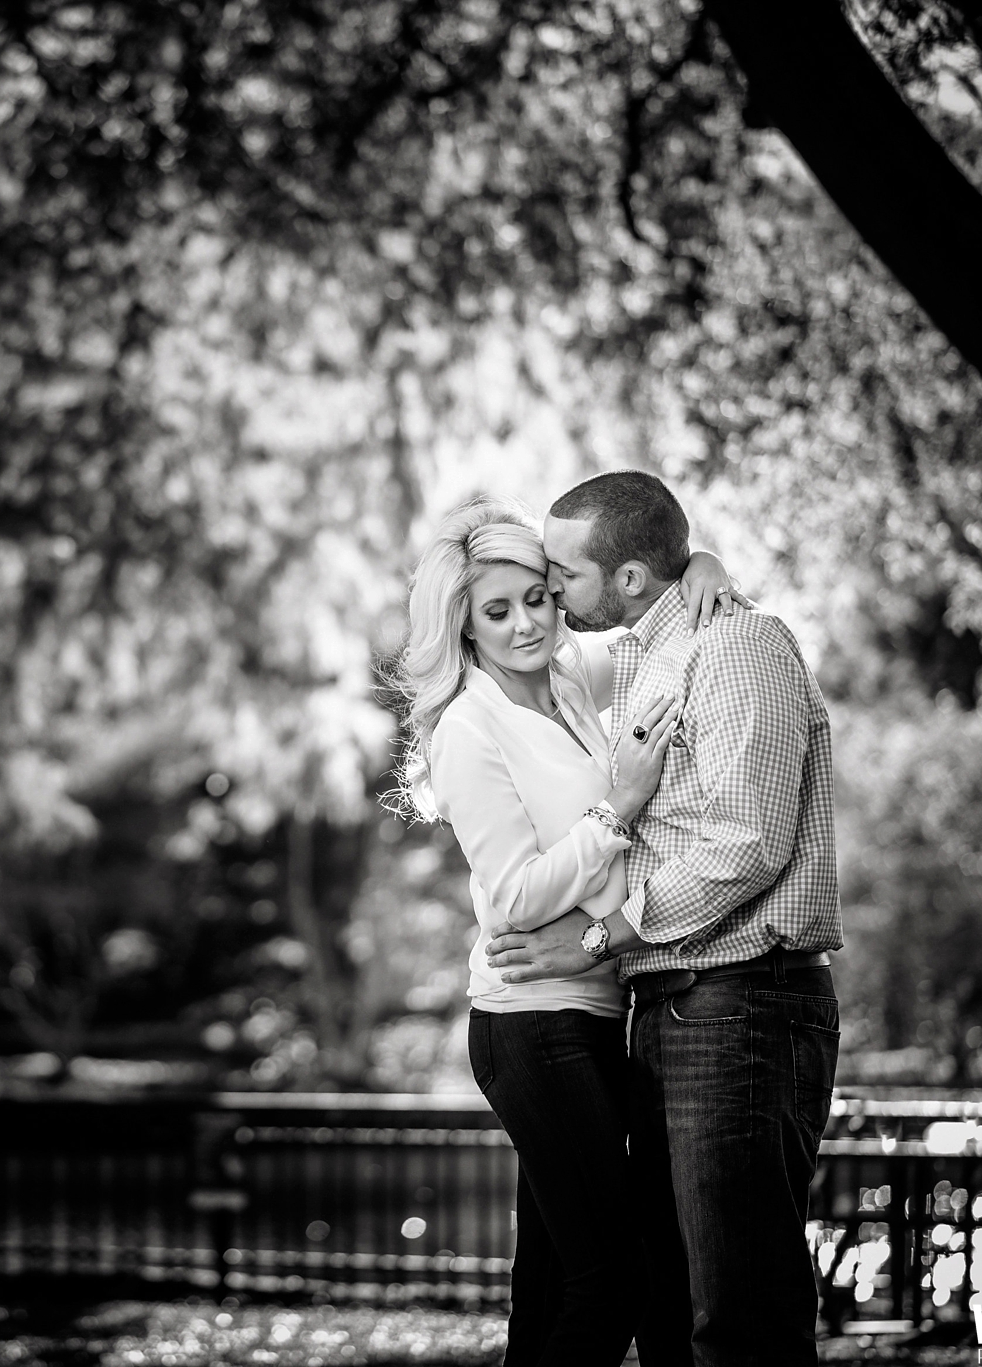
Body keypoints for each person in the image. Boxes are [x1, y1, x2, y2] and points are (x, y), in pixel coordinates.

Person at [486, 470, 842, 1367]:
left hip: (743, 1002)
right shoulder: (645, 655)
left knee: (739, 1312)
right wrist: (699, 562)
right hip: (675, 1009)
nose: (549, 592)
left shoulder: (739, 649)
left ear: (632, 580)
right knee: (674, 1310)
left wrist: (605, 934)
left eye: (561, 574)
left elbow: (745, 845)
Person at [390, 493, 738, 1367]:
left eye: (536, 599)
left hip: (594, 1011)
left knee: (550, 1286)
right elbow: (512, 898)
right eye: (496, 612)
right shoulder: (468, 730)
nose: (524, 625)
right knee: (613, 1278)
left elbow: (665, 631)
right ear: (464, 628)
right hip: (530, 1020)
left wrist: (701, 566)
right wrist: (615, 815)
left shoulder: (574, 680)